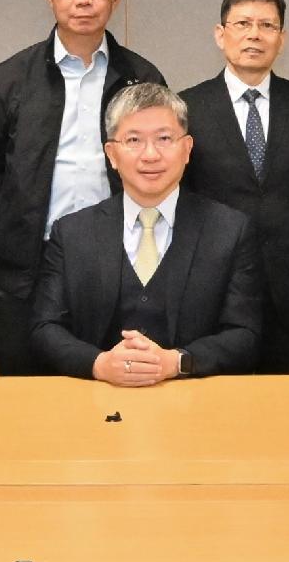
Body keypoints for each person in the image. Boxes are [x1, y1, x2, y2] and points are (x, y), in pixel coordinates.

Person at [0, 0, 168, 376]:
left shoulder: (142, 78)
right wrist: (21, 214)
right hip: (28, 268)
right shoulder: (8, 81)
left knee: (120, 397)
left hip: (123, 262)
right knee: (26, 404)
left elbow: (164, 162)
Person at [31, 82, 263, 385]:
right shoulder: (72, 232)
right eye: (134, 140)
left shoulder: (230, 230)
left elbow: (246, 334)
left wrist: (177, 361)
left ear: (187, 149)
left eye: (164, 138)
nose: (150, 155)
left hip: (198, 406)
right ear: (111, 154)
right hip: (95, 405)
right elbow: (44, 328)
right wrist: (99, 364)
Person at [182, 0, 289, 374]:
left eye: (267, 25)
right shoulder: (187, 106)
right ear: (221, 35)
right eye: (242, 24)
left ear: (282, 39)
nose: (254, 34)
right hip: (213, 287)